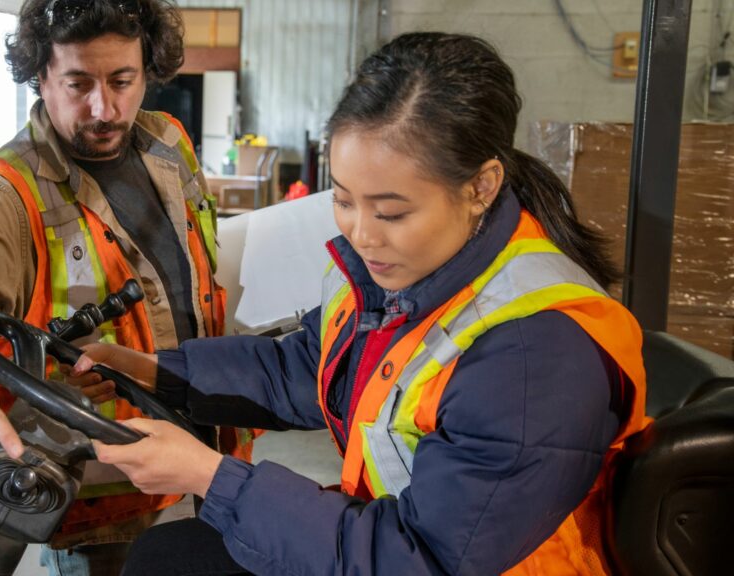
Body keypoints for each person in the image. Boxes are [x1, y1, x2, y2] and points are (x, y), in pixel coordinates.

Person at [71, 32, 650, 575]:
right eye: (345, 201)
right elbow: (313, 367)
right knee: (171, 556)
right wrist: (157, 372)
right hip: (385, 535)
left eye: (391, 212)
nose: (362, 233)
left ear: (481, 187)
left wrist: (212, 477)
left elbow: (419, 559)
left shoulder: (533, 354)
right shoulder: (405, 274)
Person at [0, 0, 256, 573]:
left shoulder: (168, 143)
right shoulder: (6, 194)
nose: (104, 108)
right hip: (105, 502)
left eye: (122, 81)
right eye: (78, 83)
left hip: (208, 461)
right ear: (41, 76)